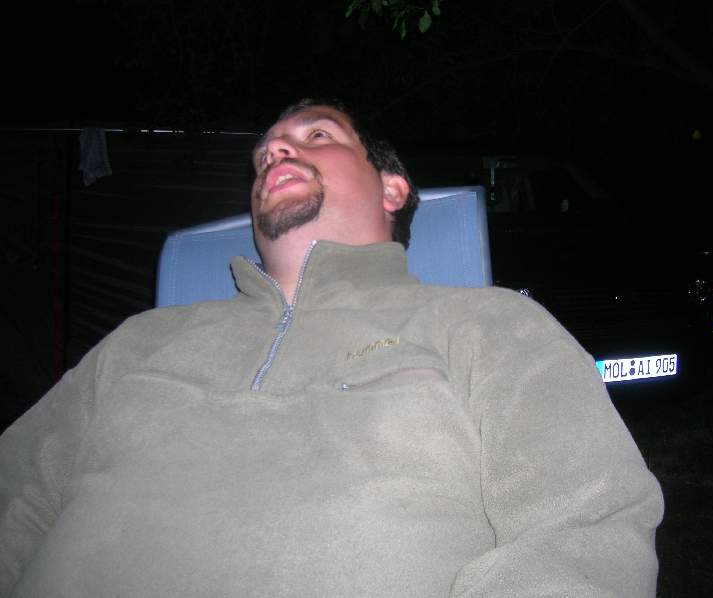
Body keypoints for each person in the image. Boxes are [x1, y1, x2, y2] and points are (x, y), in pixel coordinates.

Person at [0, 99, 663, 597]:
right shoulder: (141, 339)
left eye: (316, 136)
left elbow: (586, 524)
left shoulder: (490, 324)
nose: (275, 152)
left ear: (393, 187)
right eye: (265, 154)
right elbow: (17, 499)